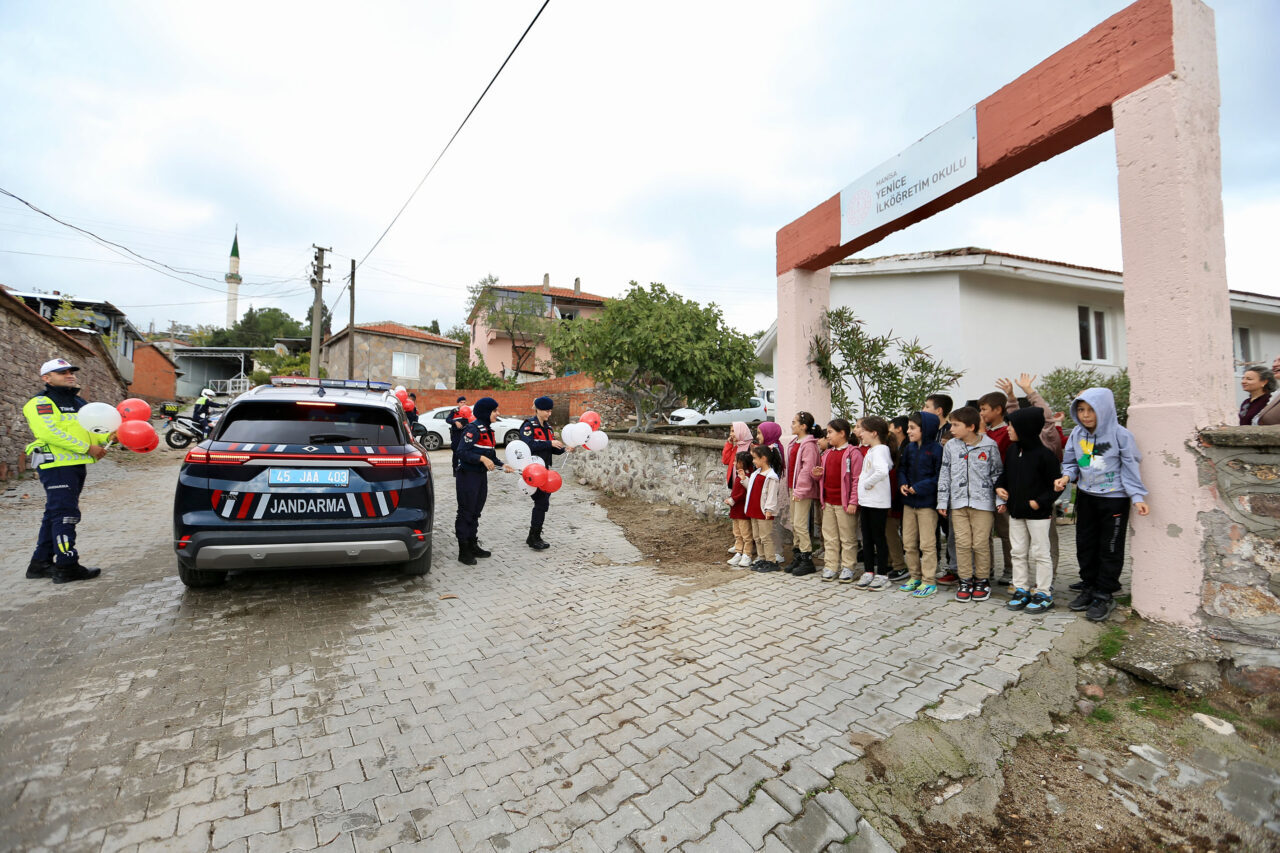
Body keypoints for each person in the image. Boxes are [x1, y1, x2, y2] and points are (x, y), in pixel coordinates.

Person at [1055, 388, 1150, 622]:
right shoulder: (1077, 434)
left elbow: (1130, 467)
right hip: (1086, 496)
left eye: (1091, 410)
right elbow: (1071, 462)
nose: (1085, 415)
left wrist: (1137, 497)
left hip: (1114, 498)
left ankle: (1104, 593)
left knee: (1109, 547)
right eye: (1081, 409)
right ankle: (1088, 586)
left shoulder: (1121, 435)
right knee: (1085, 544)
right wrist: (1066, 477)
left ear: (1104, 410)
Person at [23, 357, 111, 583]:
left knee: (54, 513)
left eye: (71, 371)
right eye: (62, 372)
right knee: (65, 514)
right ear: (47, 378)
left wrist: (109, 437)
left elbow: (92, 431)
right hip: (56, 466)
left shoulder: (79, 402)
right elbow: (49, 433)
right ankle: (67, 565)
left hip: (74, 465)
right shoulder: (40, 402)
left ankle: (39, 564)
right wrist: (87, 448)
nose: (69, 374)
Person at [995, 407, 1062, 614]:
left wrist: (1038, 503)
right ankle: (1021, 589)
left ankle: (1043, 593)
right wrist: (999, 487)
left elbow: (1056, 487)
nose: (1008, 429)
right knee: (1018, 552)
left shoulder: (1045, 455)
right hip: (1016, 512)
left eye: (1012, 426)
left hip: (1038, 515)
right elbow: (1005, 475)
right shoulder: (1014, 451)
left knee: (1041, 553)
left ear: (1025, 428)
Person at [937, 406, 1004, 602]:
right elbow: (945, 473)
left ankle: (982, 580)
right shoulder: (951, 446)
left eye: (956, 425)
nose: (952, 428)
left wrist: (1000, 499)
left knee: (980, 544)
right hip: (958, 503)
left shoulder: (989, 446)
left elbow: (997, 474)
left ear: (971, 427)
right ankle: (965, 579)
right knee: (962, 543)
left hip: (982, 504)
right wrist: (943, 500)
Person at [454, 397, 514, 565]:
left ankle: (473, 544)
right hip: (467, 476)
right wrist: (480, 458)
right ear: (487, 412)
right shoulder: (473, 429)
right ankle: (463, 550)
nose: (498, 413)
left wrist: (503, 465)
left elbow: (491, 457)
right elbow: (461, 452)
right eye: (495, 411)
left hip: (480, 477)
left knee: (475, 511)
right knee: (466, 512)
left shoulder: (488, 431)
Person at [898, 411, 943, 598]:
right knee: (908, 543)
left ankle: (929, 581)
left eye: (912, 428)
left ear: (926, 429)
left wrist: (920, 487)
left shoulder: (936, 449)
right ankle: (915, 576)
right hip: (909, 504)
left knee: (927, 544)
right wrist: (903, 483)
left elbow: (939, 476)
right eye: (908, 428)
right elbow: (902, 469)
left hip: (926, 505)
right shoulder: (909, 448)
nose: (908, 431)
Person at [816, 419, 861, 583]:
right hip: (828, 502)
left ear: (842, 433)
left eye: (830, 432)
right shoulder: (827, 453)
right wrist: (817, 474)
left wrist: (853, 501)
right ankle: (831, 566)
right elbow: (823, 476)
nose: (827, 436)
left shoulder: (853, 453)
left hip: (844, 504)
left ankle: (848, 567)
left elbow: (856, 479)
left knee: (847, 537)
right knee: (829, 536)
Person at [520, 396, 566, 550]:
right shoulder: (528, 426)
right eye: (546, 410)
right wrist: (549, 443)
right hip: (532, 470)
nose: (549, 413)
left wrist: (564, 449)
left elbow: (551, 449)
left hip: (545, 470)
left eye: (550, 410)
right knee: (541, 502)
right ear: (538, 410)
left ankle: (534, 535)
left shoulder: (548, 428)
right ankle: (534, 537)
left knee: (543, 503)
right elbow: (527, 445)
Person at [978, 391, 1014, 582]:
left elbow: (994, 457)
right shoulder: (987, 432)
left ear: (998, 410)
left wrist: (983, 434)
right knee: (984, 532)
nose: (981, 414)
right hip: (983, 490)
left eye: (984, 409)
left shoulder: (1005, 432)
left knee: (1005, 531)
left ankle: (1010, 568)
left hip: (1001, 489)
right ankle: (987, 567)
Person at [854, 417, 893, 590]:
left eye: (863, 430)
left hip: (877, 502)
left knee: (878, 538)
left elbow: (882, 470)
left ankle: (882, 574)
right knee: (867, 539)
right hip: (867, 501)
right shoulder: (872, 450)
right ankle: (868, 571)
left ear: (874, 433)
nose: (860, 433)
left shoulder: (879, 450)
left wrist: (867, 483)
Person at [923, 393, 958, 584]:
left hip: (947, 488)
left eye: (927, 407)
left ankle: (953, 567)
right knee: (931, 529)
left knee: (950, 529)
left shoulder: (951, 431)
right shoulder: (927, 431)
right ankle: (932, 564)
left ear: (939, 411)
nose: (923, 410)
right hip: (929, 488)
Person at [783, 412, 821, 576]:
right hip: (793, 487)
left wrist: (800, 490)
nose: (791, 425)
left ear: (803, 426)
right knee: (794, 523)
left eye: (794, 422)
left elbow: (807, 470)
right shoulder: (795, 442)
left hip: (802, 490)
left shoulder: (809, 445)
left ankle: (807, 558)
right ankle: (798, 555)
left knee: (800, 523)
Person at [744, 444, 783, 572]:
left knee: (765, 537)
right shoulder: (756, 473)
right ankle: (761, 558)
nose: (753, 461)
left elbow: (772, 495)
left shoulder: (771, 477)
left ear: (764, 458)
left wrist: (769, 509)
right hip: (754, 510)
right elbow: (751, 488)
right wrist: (743, 480)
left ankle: (771, 560)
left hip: (764, 511)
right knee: (757, 537)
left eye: (755, 458)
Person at [757, 420, 788, 564]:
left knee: (772, 523)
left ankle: (777, 552)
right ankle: (766, 551)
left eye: (759, 433)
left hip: (771, 492)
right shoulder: (767, 448)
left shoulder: (774, 449)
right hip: (764, 491)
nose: (757, 436)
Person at [721, 421, 754, 552]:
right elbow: (725, 460)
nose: (731, 434)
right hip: (736, 485)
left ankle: (748, 545)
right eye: (731, 431)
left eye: (734, 431)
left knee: (744, 517)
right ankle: (739, 543)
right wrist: (729, 443)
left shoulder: (750, 447)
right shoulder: (736, 446)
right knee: (737, 516)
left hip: (746, 486)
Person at [885, 416, 910, 582]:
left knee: (891, 533)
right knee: (889, 534)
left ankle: (900, 566)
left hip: (894, 504)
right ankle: (892, 562)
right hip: (892, 503)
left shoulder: (895, 463)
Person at [725, 451, 756, 568]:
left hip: (742, 510)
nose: (734, 463)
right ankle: (738, 552)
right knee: (737, 533)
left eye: (736, 461)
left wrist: (732, 500)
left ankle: (747, 554)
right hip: (736, 510)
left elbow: (742, 493)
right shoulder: (739, 475)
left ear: (742, 463)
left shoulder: (746, 477)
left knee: (746, 534)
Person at [446, 396, 469, 476]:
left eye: (464, 402)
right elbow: (447, 419)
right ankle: (455, 470)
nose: (463, 404)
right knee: (456, 453)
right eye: (461, 402)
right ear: (458, 403)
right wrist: (455, 422)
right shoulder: (454, 411)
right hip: (456, 435)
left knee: (466, 452)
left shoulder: (468, 411)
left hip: (465, 434)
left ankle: (465, 470)